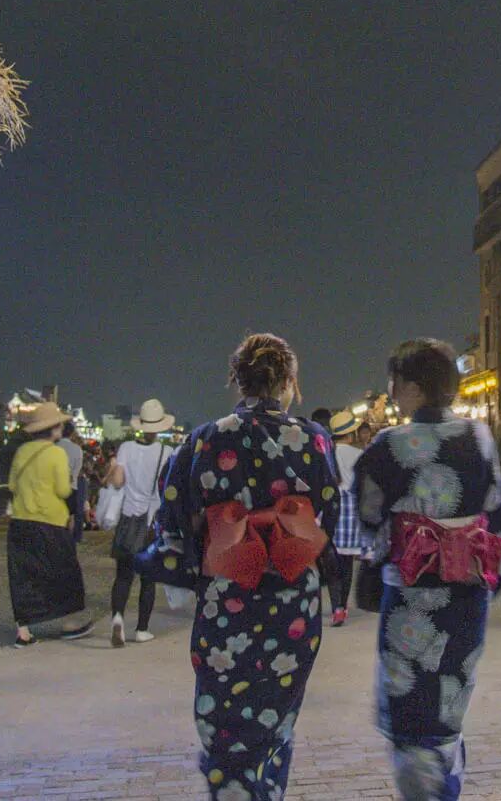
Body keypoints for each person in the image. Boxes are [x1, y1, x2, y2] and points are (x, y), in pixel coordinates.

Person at [139, 334, 339, 800]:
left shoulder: (206, 438)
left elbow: (171, 515)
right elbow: (329, 504)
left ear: (237, 380)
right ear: (288, 381)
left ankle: (230, 786)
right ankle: (267, 789)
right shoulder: (313, 438)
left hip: (226, 595)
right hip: (293, 599)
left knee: (224, 712)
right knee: (276, 713)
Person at [355, 339, 501, 801]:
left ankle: (424, 787)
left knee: (408, 702)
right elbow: (497, 514)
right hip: (466, 593)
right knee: (448, 699)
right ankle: (446, 774)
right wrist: (493, 580)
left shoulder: (389, 445)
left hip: (410, 594)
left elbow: (369, 514)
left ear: (414, 388)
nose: (391, 391)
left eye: (395, 383)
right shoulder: (479, 437)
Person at [5, 402, 93, 646]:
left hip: (21, 522)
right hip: (50, 523)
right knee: (65, 572)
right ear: (54, 429)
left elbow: (12, 485)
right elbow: (63, 489)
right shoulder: (57, 454)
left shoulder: (22, 451)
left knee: (23, 575)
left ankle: (23, 632)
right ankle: (68, 624)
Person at [105, 397, 176, 648]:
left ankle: (117, 618)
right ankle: (142, 629)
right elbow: (168, 490)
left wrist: (112, 467)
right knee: (148, 579)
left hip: (127, 519)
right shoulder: (166, 453)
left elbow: (117, 482)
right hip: (150, 523)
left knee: (123, 576)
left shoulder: (125, 449)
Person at [325, 406, 365, 626]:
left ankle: (335, 607)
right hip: (351, 508)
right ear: (351, 434)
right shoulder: (358, 454)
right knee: (346, 562)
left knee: (331, 560)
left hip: (330, 507)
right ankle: (343, 607)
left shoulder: (326, 454)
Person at [59, 419, 87, 541]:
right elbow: (77, 470)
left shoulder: (54, 446)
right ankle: (69, 539)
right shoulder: (77, 449)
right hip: (72, 486)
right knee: (70, 515)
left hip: (55, 486)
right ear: (72, 433)